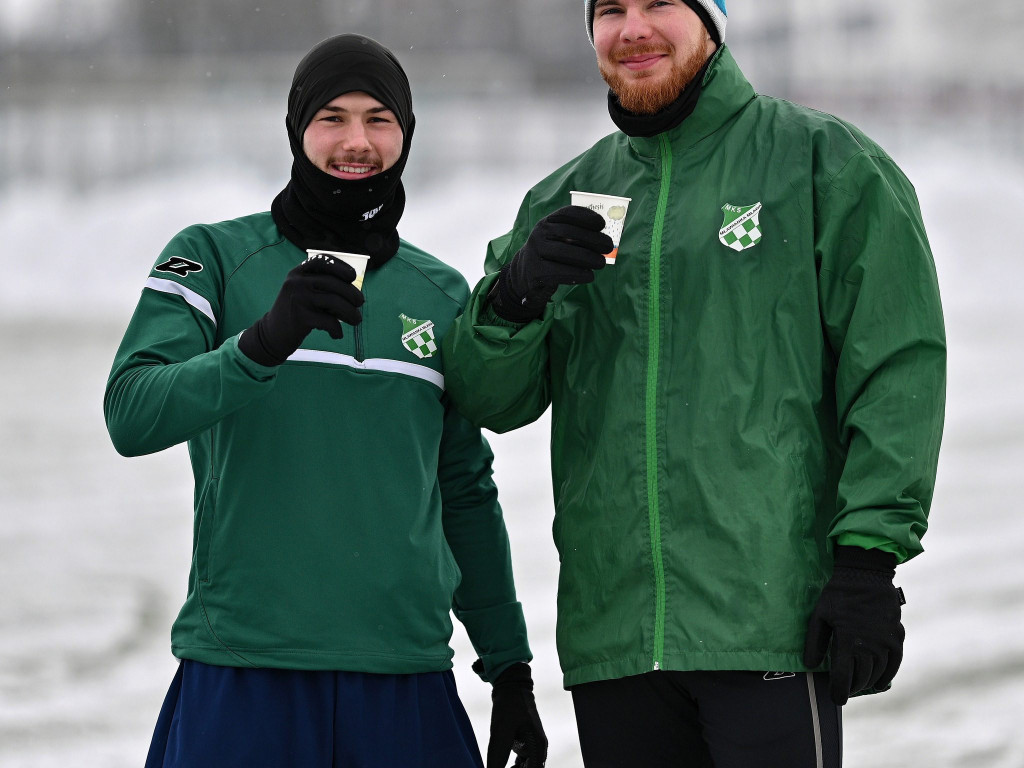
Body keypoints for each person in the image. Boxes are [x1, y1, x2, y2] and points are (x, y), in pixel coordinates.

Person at [442, 1, 946, 766]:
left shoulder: (826, 165)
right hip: (615, 638)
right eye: (610, 9)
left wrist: (868, 561)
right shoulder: (568, 197)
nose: (632, 29)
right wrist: (514, 298)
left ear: (710, 20)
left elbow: (896, 370)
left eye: (659, 3)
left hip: (769, 625)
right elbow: (491, 400)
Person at [104, 34, 547, 768]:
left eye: (379, 119)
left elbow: (463, 488)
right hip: (246, 670)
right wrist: (259, 344)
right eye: (332, 118)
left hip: (405, 678)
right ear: (296, 129)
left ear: (406, 133)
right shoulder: (215, 258)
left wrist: (509, 668)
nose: (356, 142)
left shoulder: (440, 294)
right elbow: (131, 412)